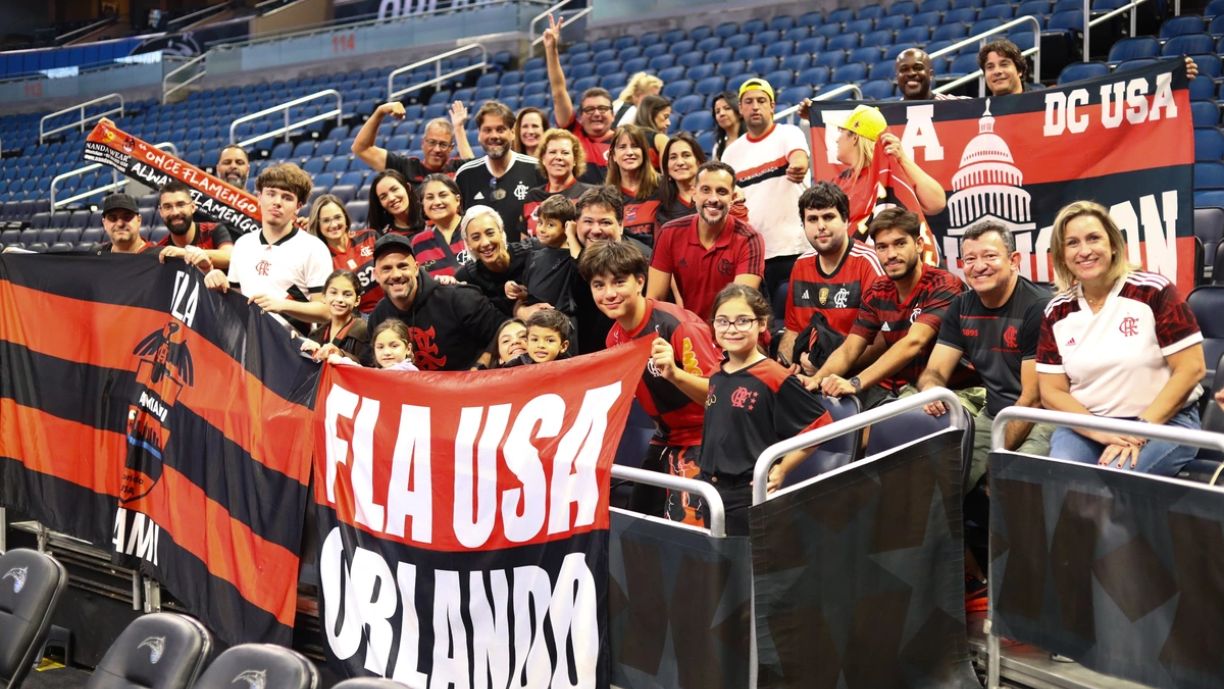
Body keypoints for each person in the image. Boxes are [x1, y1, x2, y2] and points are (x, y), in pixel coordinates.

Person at [1036, 200, 1206, 475]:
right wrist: (1098, 430)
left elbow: (1191, 368)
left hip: (1164, 422)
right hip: (1089, 425)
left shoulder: (1154, 292)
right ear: (1061, 254)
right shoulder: (1056, 311)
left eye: (1094, 238)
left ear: (1114, 244)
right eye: (1072, 243)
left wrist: (1141, 429)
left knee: (1114, 479)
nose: (1085, 251)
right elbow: (1052, 391)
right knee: (1062, 477)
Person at [579, 240, 721, 525]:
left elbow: (720, 398)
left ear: (640, 281)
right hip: (666, 438)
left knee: (687, 530)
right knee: (634, 524)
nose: (609, 294)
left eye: (619, 282)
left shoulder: (678, 326)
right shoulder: (614, 337)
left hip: (705, 438)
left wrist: (675, 374)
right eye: (598, 285)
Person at [917, 222, 1052, 491]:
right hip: (992, 415)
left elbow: (1033, 400)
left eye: (990, 256)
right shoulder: (962, 305)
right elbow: (934, 372)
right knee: (937, 479)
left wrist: (996, 454)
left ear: (1014, 261)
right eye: (970, 259)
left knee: (1009, 484)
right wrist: (931, 389)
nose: (979, 266)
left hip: (1043, 419)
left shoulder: (1037, 307)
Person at [691, 283, 832, 535]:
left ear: (762, 324)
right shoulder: (717, 373)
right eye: (722, 321)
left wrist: (781, 468)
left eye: (743, 321)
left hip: (747, 494)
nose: (731, 329)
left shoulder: (773, 375)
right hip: (711, 490)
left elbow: (821, 425)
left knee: (746, 568)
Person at [807, 208, 965, 402]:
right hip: (904, 390)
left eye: (899, 244)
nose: (891, 254)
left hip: (954, 391)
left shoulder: (944, 284)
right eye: (882, 247)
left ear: (918, 245)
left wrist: (855, 382)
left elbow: (914, 342)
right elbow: (850, 350)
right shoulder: (878, 289)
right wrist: (816, 379)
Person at [204, 163, 332, 330]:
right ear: (259, 197)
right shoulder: (244, 244)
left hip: (292, 348)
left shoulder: (314, 248)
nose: (277, 202)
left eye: (287, 197)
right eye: (271, 194)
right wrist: (217, 281)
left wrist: (282, 305)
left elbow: (326, 311)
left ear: (298, 207)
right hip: (246, 343)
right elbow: (236, 304)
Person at [719, 78, 810, 298]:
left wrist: (798, 166)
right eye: (748, 102)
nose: (755, 106)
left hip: (795, 247)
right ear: (740, 109)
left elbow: (798, 157)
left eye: (761, 100)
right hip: (754, 253)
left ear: (772, 106)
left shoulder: (789, 133)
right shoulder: (731, 153)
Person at [779, 182, 884, 370]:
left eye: (828, 217)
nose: (820, 226)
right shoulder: (801, 265)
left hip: (857, 375)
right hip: (807, 374)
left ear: (846, 220)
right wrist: (786, 366)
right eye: (812, 219)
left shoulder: (868, 262)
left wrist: (829, 369)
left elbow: (882, 341)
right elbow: (792, 330)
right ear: (803, 225)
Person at [366, 234, 504, 371]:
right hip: (413, 391)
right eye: (386, 269)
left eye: (402, 266)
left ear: (416, 268)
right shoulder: (378, 317)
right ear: (376, 275)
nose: (396, 275)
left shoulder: (457, 298)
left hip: (470, 389)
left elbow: (504, 329)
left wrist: (479, 366)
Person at [648, 161, 764, 319]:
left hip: (735, 331)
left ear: (733, 197)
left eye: (722, 192)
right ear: (694, 193)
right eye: (706, 190)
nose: (713, 198)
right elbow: (655, 301)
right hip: (691, 332)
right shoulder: (669, 233)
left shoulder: (750, 239)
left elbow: (738, 306)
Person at [831, 104, 947, 242]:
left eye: (842, 132)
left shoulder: (890, 173)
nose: (837, 139)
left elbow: (936, 203)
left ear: (855, 137)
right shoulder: (838, 182)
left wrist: (902, 159)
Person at [454, 101, 544, 243]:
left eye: (500, 129)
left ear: (513, 133)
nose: (494, 135)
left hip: (529, 261)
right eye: (487, 130)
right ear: (479, 134)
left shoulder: (537, 170)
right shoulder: (465, 176)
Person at [542, 14, 614, 183]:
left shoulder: (623, 143)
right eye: (589, 109)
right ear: (580, 116)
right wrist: (551, 49)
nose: (596, 113)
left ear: (613, 115)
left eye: (602, 108)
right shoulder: (573, 133)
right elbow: (559, 91)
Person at [506, 193, 581, 320]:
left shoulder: (572, 257)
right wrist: (520, 291)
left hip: (562, 323)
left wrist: (571, 235)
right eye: (540, 222)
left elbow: (580, 268)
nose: (542, 229)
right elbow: (531, 291)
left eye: (550, 225)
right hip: (535, 322)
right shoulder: (534, 254)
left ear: (567, 226)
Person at [351, 103, 462, 183]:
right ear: (423, 143)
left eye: (443, 144)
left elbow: (474, 167)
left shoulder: (459, 169)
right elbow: (361, 148)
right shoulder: (406, 168)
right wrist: (380, 111)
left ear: (451, 148)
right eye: (432, 142)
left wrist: (459, 128)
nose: (437, 149)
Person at [309, 194, 382, 314]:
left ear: (345, 218)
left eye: (337, 217)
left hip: (390, 306)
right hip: (357, 319)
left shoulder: (370, 236)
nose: (333, 225)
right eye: (326, 220)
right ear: (318, 225)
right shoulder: (322, 258)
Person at [455, 205, 529, 316]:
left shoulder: (531, 255)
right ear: (468, 243)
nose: (485, 243)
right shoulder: (466, 277)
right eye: (476, 237)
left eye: (490, 233)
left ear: (501, 231)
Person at [521, 128, 592, 235]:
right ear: (543, 159)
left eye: (565, 153)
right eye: (552, 152)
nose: (558, 157)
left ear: (575, 160)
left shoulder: (589, 195)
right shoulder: (532, 197)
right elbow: (524, 241)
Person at [155, 180, 233, 272]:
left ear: (192, 207)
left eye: (181, 205)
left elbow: (230, 257)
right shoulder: (162, 250)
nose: (175, 212)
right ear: (161, 212)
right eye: (167, 207)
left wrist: (185, 253)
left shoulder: (213, 230)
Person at [606, 125, 662, 246]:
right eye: (622, 147)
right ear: (614, 155)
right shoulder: (606, 197)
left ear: (644, 153)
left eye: (635, 146)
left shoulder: (663, 187)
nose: (629, 152)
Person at [300, 270, 370, 364]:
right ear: (324, 296)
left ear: (357, 300)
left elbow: (370, 369)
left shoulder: (365, 331)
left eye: (347, 294)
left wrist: (341, 355)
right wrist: (296, 342)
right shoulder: (316, 334)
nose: (339, 299)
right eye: (333, 293)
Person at [410, 174, 469, 278]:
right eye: (429, 197)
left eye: (443, 195)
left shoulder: (474, 227)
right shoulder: (418, 243)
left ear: (457, 199)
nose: (437, 202)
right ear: (423, 204)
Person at [655, 132, 707, 226]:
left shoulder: (714, 196)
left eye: (686, 155)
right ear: (666, 166)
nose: (679, 162)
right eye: (673, 157)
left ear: (698, 161)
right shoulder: (660, 202)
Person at [502, 308, 572, 366]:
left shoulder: (570, 367)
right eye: (535, 340)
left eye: (550, 340)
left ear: (563, 346)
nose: (541, 345)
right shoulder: (513, 367)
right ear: (527, 342)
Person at [366, 169, 424, 237]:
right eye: (383, 197)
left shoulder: (431, 218)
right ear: (380, 203)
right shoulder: (384, 237)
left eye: (394, 189)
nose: (391, 198)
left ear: (407, 188)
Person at [710, 91, 743, 162]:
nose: (721, 113)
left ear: (739, 112)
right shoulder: (718, 147)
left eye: (727, 108)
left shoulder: (753, 137)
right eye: (717, 111)